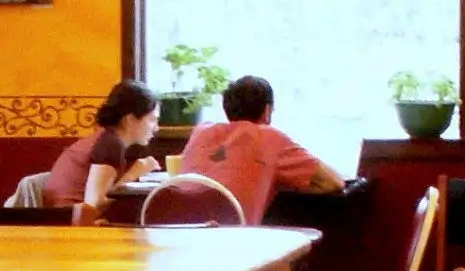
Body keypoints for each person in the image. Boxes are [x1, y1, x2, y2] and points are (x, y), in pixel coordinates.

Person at [178, 75, 344, 225]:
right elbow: (334, 182)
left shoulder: (201, 132)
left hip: (178, 236)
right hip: (231, 241)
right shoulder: (269, 137)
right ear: (267, 110)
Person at [45, 81, 161, 215]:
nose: (156, 128)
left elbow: (99, 199)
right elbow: (94, 205)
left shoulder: (105, 138)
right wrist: (134, 173)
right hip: (69, 220)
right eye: (152, 120)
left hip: (64, 216)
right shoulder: (110, 144)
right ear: (130, 119)